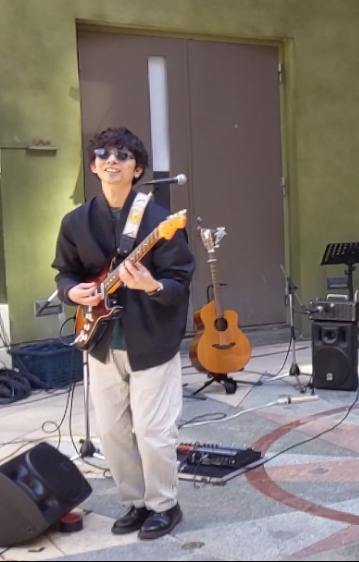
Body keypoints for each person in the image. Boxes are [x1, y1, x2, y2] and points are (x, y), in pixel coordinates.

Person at [51, 128, 195, 540]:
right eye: (103, 154)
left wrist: (151, 285)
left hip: (151, 341)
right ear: (94, 166)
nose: (111, 160)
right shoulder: (76, 222)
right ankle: (136, 502)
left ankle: (164, 505)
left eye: (122, 155)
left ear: (138, 169)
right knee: (113, 433)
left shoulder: (160, 221)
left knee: (153, 431)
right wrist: (72, 293)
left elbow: (180, 281)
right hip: (101, 342)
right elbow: (65, 273)